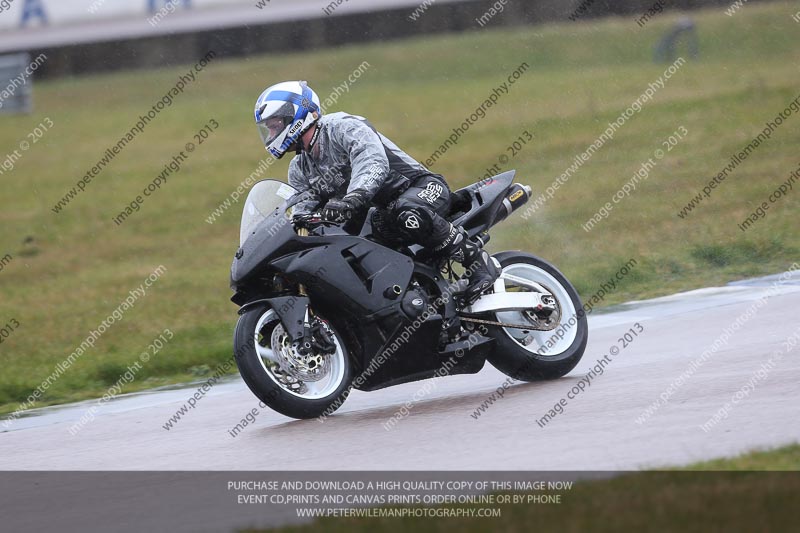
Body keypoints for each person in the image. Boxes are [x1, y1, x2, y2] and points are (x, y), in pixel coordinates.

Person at [254, 80, 498, 301]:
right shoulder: (299, 168)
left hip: (423, 189)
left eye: (275, 126)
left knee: (406, 210)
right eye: (269, 129)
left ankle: (478, 262)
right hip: (382, 215)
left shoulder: (342, 126)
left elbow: (372, 163)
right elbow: (301, 211)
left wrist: (352, 198)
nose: (271, 134)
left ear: (296, 115)